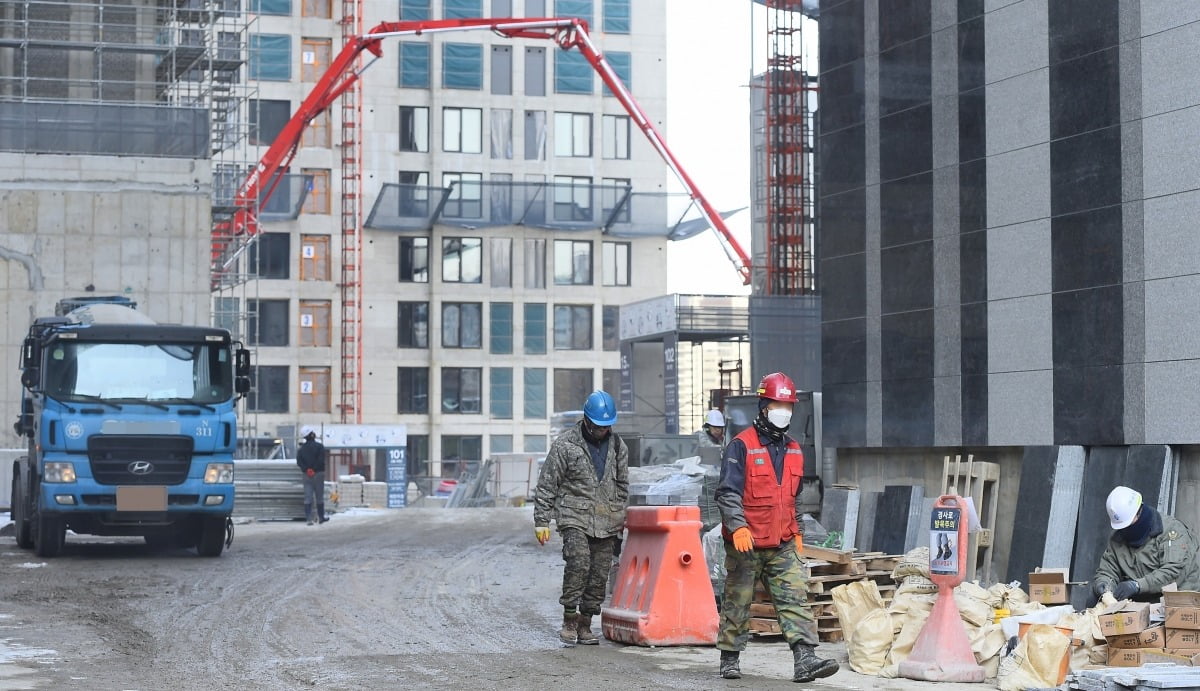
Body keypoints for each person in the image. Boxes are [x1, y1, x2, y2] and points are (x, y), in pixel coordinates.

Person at [714, 372, 838, 683]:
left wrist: (796, 531)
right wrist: (738, 527)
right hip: (747, 541)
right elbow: (727, 493)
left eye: (788, 405)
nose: (784, 411)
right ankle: (730, 657)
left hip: (782, 541)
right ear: (763, 405)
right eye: (777, 404)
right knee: (737, 601)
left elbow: (792, 497)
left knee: (794, 597)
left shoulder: (795, 449)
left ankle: (805, 659)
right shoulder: (741, 446)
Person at [533, 390, 629, 646]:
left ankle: (586, 623)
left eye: (606, 427)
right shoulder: (565, 445)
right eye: (598, 426)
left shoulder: (618, 446)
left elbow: (622, 485)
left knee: (599, 574)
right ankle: (569, 619)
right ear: (587, 421)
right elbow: (547, 484)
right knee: (579, 563)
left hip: (606, 520)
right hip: (574, 515)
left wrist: (619, 514)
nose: (602, 431)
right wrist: (542, 521)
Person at [1091, 485, 1200, 603]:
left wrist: (1137, 586)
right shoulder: (1118, 539)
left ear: (1139, 513)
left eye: (1129, 524)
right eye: (1123, 526)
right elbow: (1108, 569)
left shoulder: (1171, 531)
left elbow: (1174, 572)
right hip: (1143, 600)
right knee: (1093, 600)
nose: (1126, 529)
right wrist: (1104, 584)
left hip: (1179, 597)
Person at [296, 427, 328, 526]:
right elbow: (321, 460)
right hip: (318, 474)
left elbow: (299, 462)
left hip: (307, 475)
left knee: (308, 496)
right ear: (312, 435)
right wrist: (314, 469)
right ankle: (321, 517)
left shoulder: (301, 449)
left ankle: (309, 519)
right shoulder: (319, 447)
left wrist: (307, 469)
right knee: (319, 496)